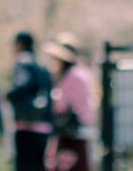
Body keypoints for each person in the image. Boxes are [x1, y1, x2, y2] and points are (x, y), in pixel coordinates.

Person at [43, 34, 94, 171]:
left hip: (71, 131)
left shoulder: (72, 75)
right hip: (80, 129)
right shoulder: (82, 72)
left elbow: (63, 103)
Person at [6, 31, 53, 171]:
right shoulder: (42, 65)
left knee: (24, 165)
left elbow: (21, 86)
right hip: (43, 126)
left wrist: (8, 95)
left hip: (25, 126)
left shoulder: (23, 60)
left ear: (20, 44)